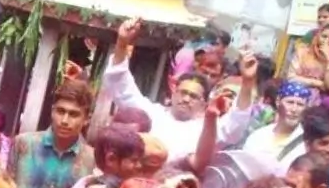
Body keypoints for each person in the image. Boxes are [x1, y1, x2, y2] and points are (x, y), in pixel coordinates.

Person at [103, 17, 257, 162]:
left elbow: (236, 124)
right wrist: (122, 43)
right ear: (173, 92)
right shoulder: (152, 114)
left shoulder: (205, 129)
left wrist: (248, 81)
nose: (186, 99)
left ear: (204, 103)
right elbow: (120, 85)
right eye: (183, 93)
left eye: (194, 96)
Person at [6, 80, 95, 188]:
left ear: (86, 119)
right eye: (60, 111)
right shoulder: (24, 144)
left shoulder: (92, 160)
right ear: (52, 111)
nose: (64, 120)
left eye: (74, 114)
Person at [287, 23, 329, 98]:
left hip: (320, 97)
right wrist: (317, 83)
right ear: (318, 36)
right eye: (324, 36)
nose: (326, 41)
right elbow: (291, 78)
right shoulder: (303, 51)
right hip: (296, 90)